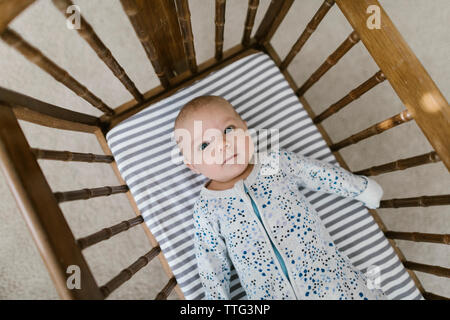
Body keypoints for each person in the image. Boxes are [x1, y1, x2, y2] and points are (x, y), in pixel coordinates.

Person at [173, 95, 386, 300]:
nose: (223, 144)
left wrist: (359, 188)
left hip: (331, 278)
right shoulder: (206, 209)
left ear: (245, 128)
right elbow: (211, 263)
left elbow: (315, 172)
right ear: (192, 165)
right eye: (204, 145)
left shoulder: (273, 163)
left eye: (229, 130)